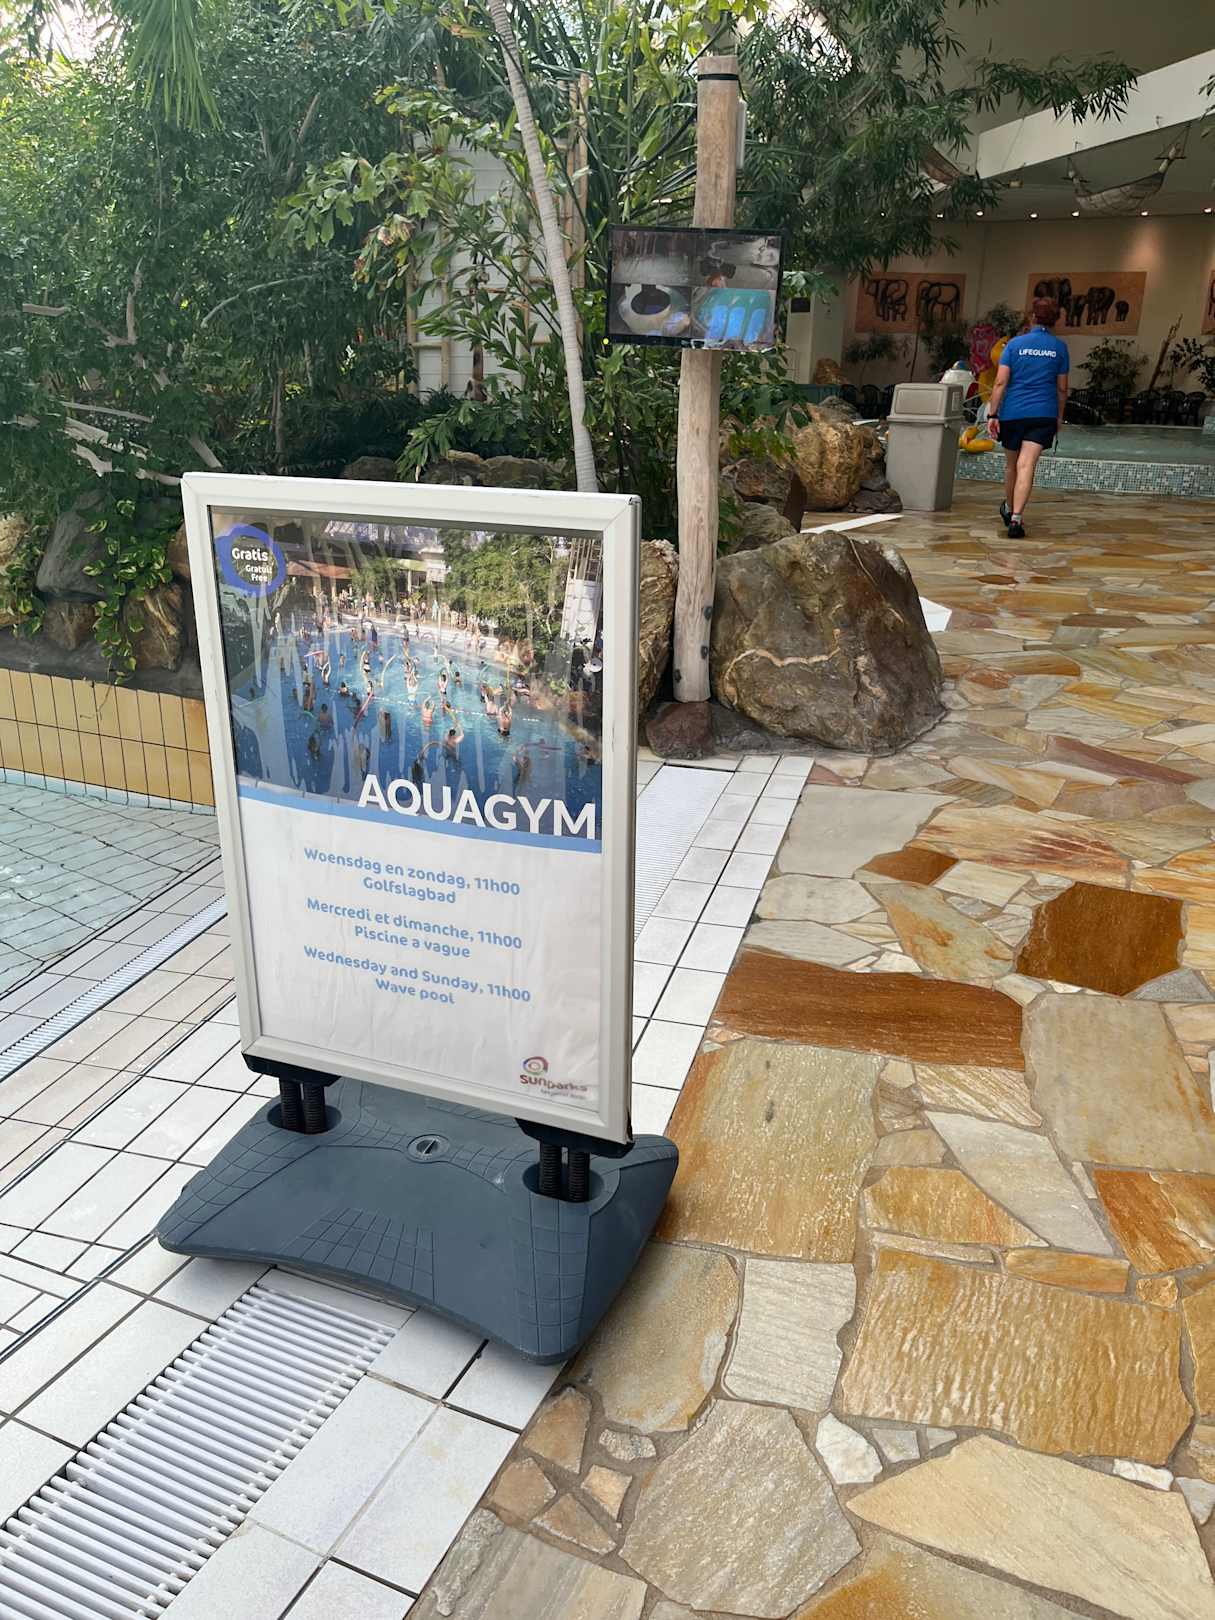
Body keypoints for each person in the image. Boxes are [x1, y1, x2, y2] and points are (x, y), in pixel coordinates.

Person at [986, 296, 1069, 539]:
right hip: (1043, 414)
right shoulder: (1059, 347)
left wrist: (992, 414)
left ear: (1032, 317)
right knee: (1027, 465)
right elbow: (1062, 388)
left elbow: (1000, 382)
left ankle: (1009, 508)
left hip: (1013, 413)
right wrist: (1059, 416)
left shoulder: (1014, 345)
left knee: (1012, 466)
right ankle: (1016, 518)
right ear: (1055, 320)